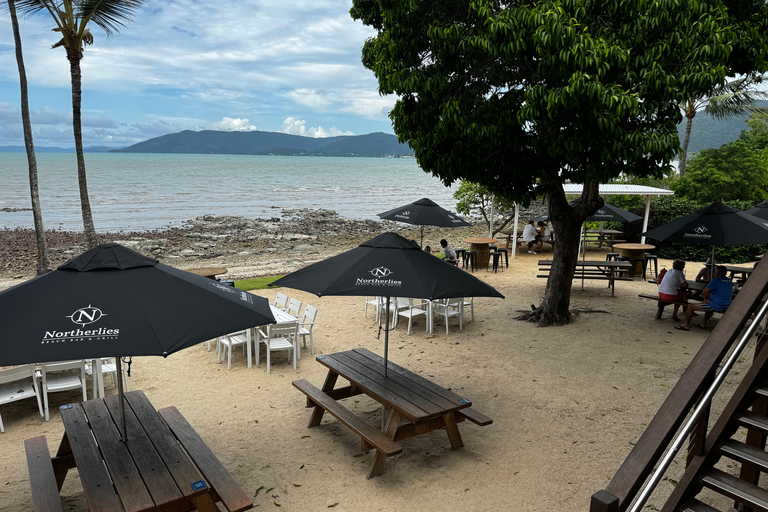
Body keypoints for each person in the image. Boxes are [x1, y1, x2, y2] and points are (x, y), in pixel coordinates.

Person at [676, 265, 733, 331]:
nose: (714, 272)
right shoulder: (729, 281)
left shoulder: (715, 280)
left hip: (718, 305)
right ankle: (703, 323)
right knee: (710, 303)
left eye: (715, 271)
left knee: (690, 306)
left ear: (719, 272)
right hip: (727, 304)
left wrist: (705, 298)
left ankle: (686, 325)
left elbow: (705, 291)